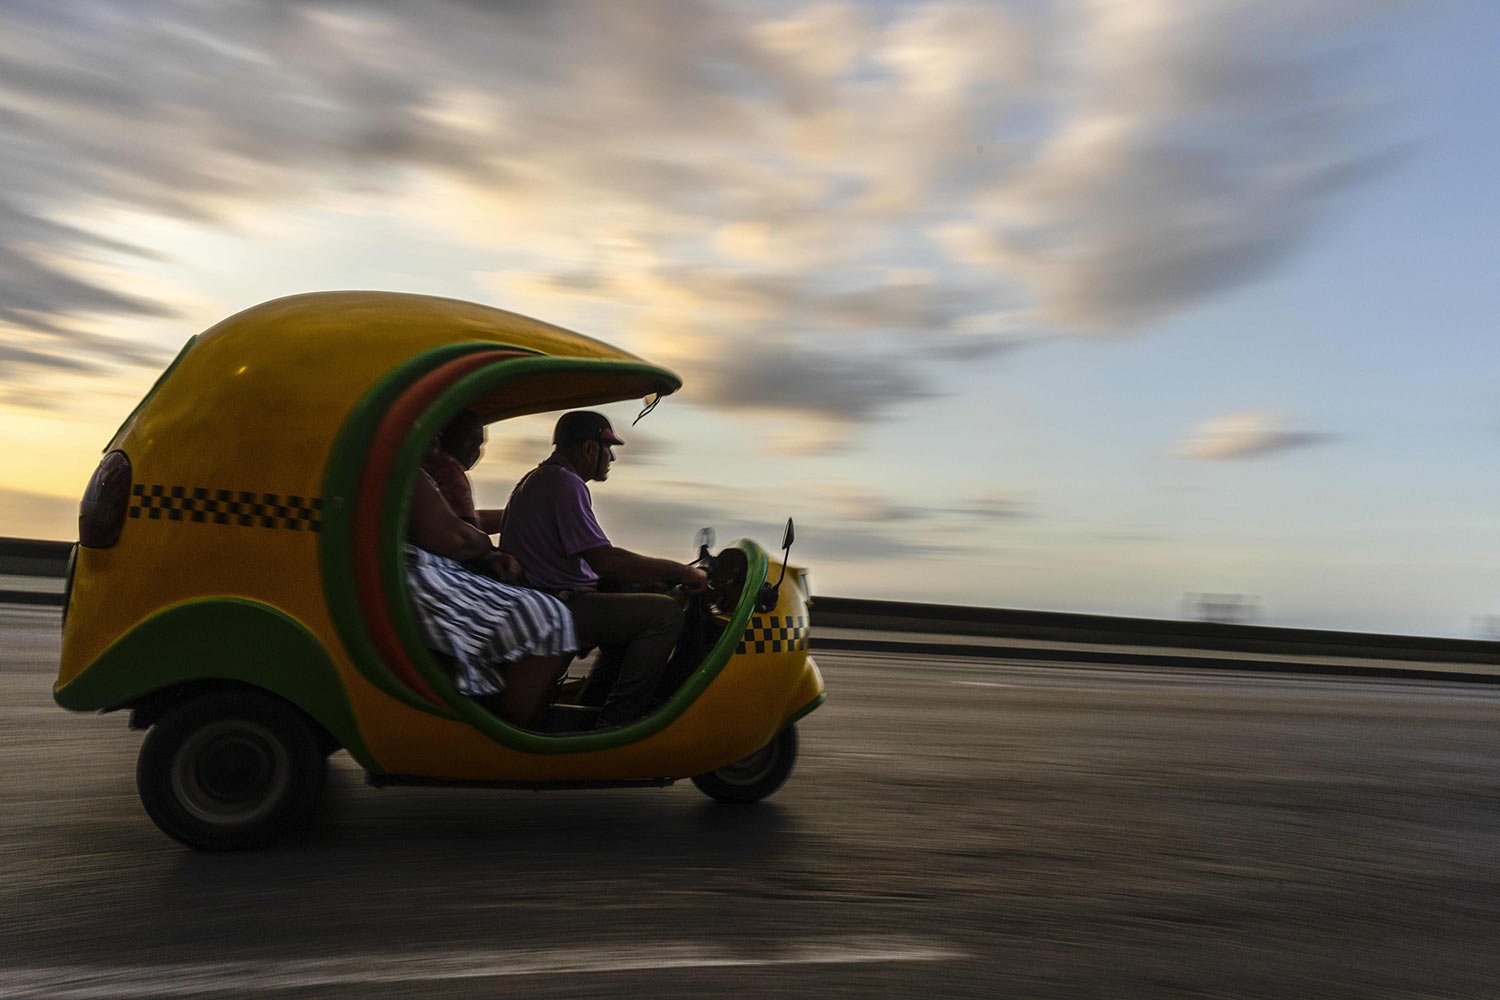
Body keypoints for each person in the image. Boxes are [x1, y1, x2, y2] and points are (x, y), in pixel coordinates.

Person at [500, 411, 708, 729]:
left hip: (547, 599)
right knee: (664, 615)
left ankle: (595, 701)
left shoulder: (544, 478)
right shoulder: (565, 484)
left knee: (631, 597)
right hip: (558, 604)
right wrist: (684, 572)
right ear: (588, 449)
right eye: (608, 449)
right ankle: (621, 724)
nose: (611, 458)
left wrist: (657, 575)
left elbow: (596, 560)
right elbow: (606, 561)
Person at [405, 443, 577, 729]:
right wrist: (486, 546)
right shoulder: (420, 466)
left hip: (409, 565)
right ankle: (506, 736)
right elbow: (455, 537)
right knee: (549, 616)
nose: (475, 449)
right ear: (587, 449)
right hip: (412, 570)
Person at [421, 409, 505, 533]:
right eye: (469, 440)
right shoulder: (449, 471)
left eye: (479, 444)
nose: (475, 450)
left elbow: (468, 520)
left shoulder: (424, 468)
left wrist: (514, 515)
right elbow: (466, 534)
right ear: (445, 435)